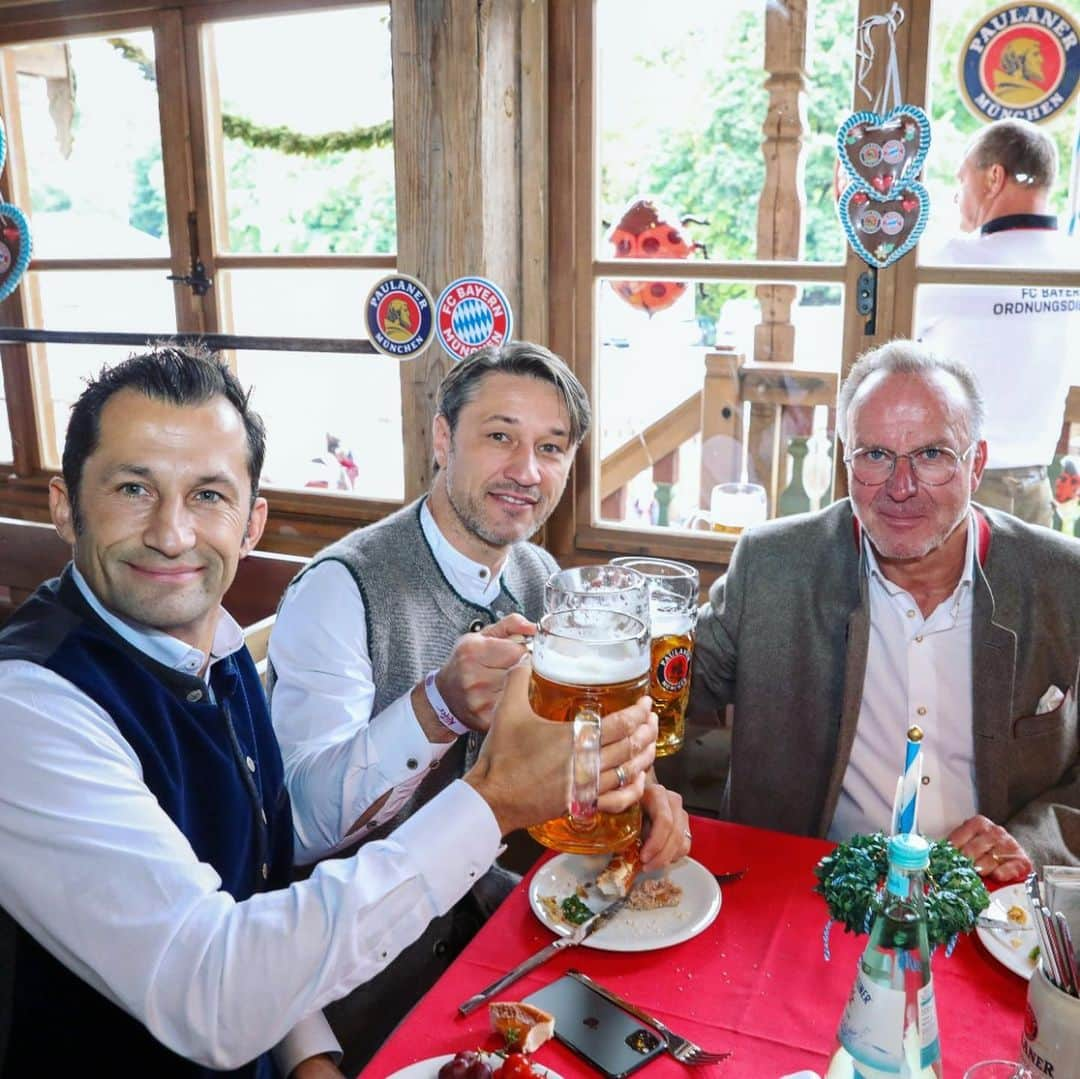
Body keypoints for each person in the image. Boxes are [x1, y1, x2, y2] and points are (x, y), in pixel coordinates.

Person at [0, 345, 659, 1078]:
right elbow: (210, 985)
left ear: (253, 522)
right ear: (64, 506)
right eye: (133, 487)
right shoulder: (27, 705)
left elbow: (257, 875)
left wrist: (308, 1054)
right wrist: (482, 782)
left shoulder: (211, 652)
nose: (173, 532)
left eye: (209, 495)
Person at [268, 340, 690, 1068]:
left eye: (551, 447)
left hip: (498, 946)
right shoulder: (340, 588)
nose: (527, 471)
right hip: (357, 985)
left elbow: (564, 754)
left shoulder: (540, 574)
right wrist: (435, 706)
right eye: (500, 436)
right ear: (442, 437)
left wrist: (637, 789)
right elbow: (297, 827)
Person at [691, 340, 1080, 879]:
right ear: (845, 459)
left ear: (977, 464)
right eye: (875, 455)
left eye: (932, 455)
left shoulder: (1063, 581)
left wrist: (1028, 845)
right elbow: (676, 683)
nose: (901, 488)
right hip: (800, 890)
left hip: (988, 907)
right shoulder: (773, 565)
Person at [917, 117, 1080, 527]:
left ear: (994, 177)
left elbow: (886, 335)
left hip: (960, 486)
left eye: (963, 178)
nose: (958, 195)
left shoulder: (949, 259)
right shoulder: (1072, 261)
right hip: (1037, 489)